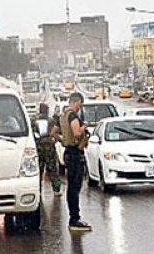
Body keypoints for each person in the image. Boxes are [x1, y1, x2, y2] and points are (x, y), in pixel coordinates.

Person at [59, 92, 91, 231]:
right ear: (76, 102)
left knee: (72, 187)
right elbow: (77, 133)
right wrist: (85, 126)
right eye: (80, 104)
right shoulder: (73, 115)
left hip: (69, 152)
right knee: (74, 187)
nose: (80, 107)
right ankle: (74, 219)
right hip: (74, 153)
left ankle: (74, 217)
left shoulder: (63, 114)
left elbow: (56, 131)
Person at [36, 108, 62, 196]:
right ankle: (56, 190)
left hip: (38, 148)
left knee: (38, 170)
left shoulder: (33, 121)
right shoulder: (51, 120)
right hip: (49, 148)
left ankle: (37, 190)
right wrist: (57, 140)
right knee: (53, 169)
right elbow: (56, 132)